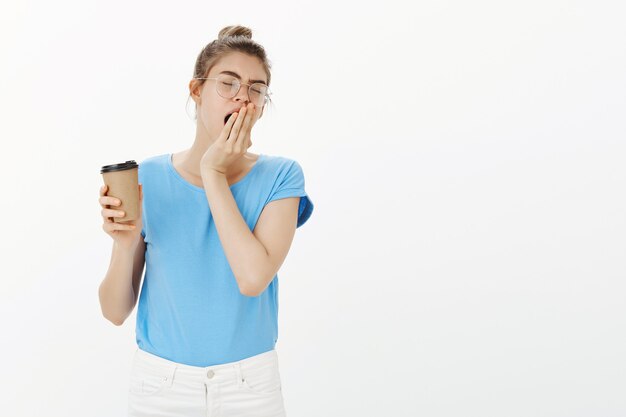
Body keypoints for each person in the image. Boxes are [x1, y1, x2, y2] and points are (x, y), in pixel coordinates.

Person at [97, 25, 314, 417]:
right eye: (228, 84)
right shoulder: (146, 178)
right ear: (196, 91)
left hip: (250, 388)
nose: (242, 98)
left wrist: (214, 173)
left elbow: (252, 278)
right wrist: (124, 242)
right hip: (161, 387)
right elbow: (114, 312)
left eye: (256, 88)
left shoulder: (282, 177)